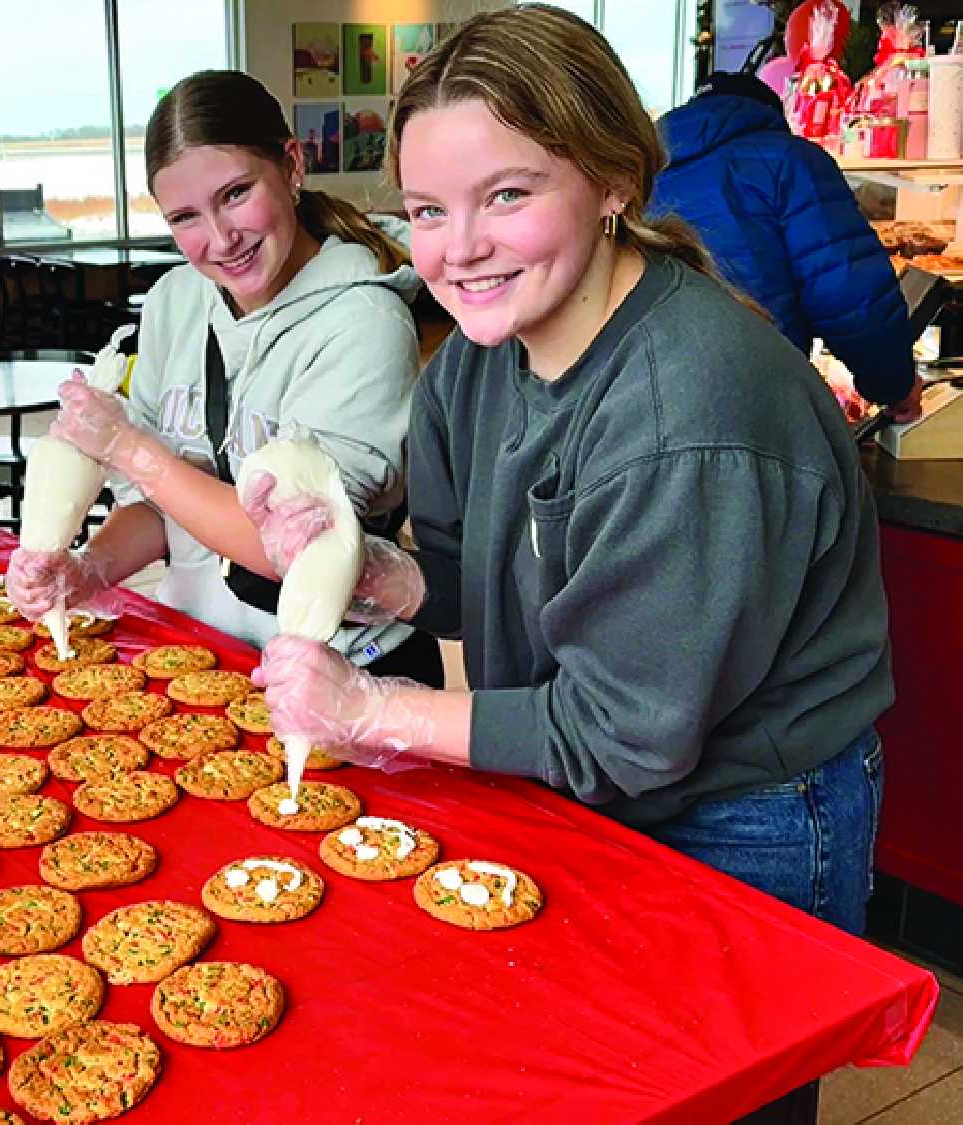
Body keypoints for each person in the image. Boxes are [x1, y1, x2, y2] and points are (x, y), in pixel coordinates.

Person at [245, 5, 891, 936]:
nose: (458, 248)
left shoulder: (687, 414)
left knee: (721, 1079)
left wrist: (378, 709)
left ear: (616, 182)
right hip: (593, 771)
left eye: (508, 195)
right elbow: (487, 585)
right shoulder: (474, 361)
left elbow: (625, 731)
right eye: (429, 210)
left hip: (748, 811)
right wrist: (381, 577)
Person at [7, 69, 443, 685]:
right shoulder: (173, 302)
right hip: (203, 654)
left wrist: (132, 449)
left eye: (236, 194)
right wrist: (88, 568)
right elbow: (159, 509)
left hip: (338, 676)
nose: (220, 239)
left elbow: (300, 550)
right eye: (185, 217)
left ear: (292, 165)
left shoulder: (365, 322)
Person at [650, 69, 923, 419]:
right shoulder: (791, 160)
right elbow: (850, 296)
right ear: (768, 114)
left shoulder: (651, 170)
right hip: (759, 396)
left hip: (656, 395)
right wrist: (894, 385)